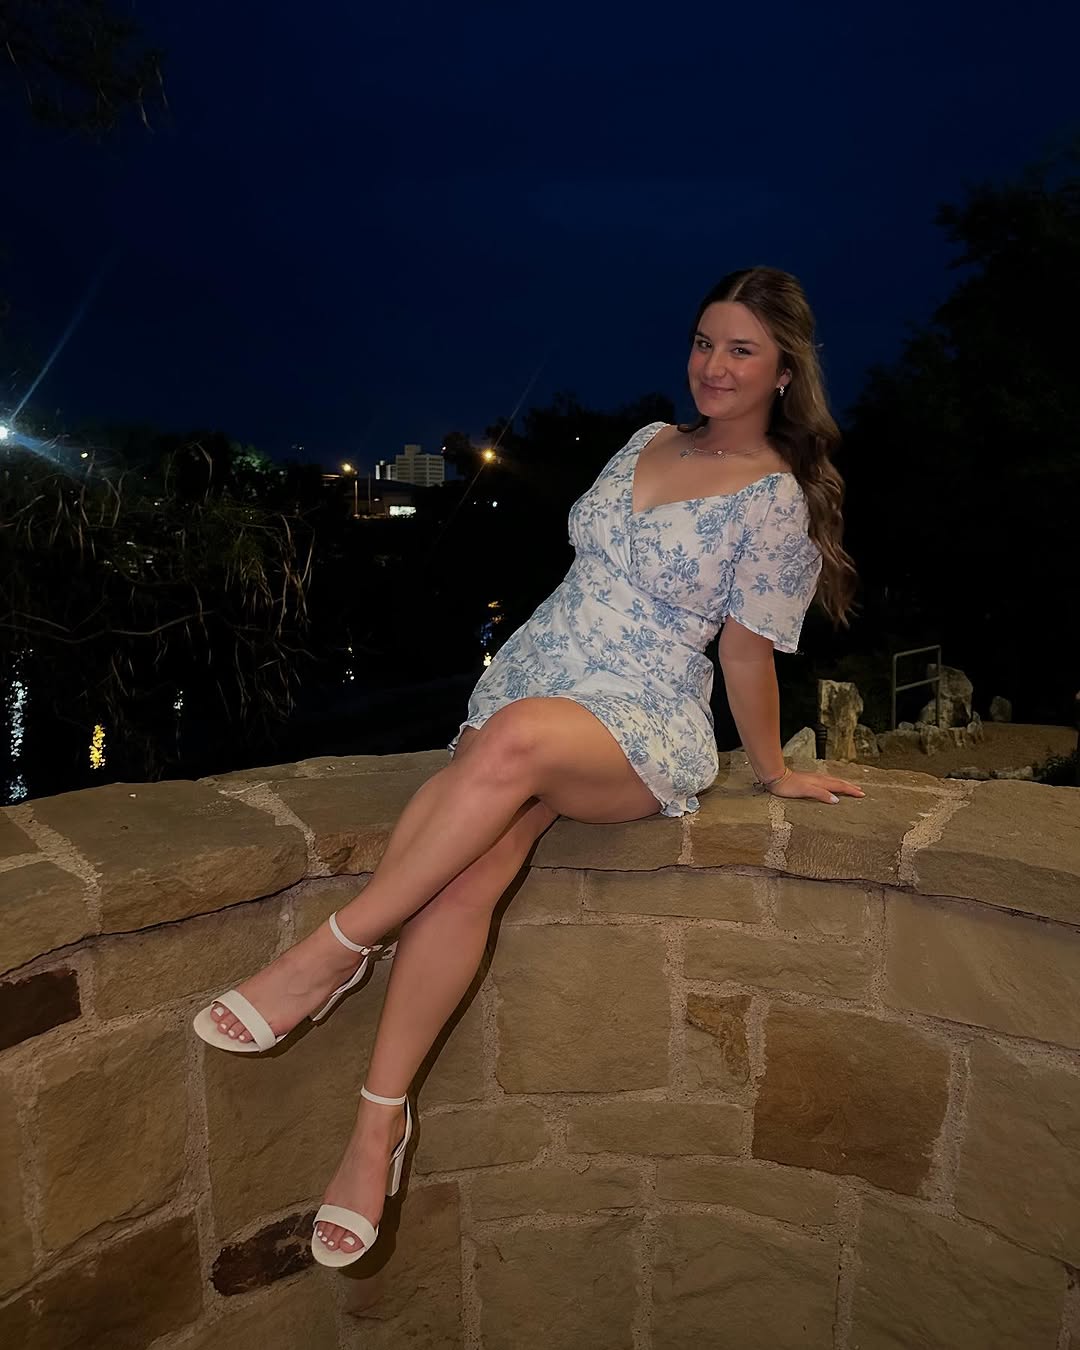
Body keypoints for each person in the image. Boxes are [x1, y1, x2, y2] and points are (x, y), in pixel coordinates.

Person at [193, 265, 865, 1267]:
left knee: (515, 745)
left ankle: (332, 952)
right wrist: (531, 675)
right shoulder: (647, 439)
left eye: (741, 350)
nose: (714, 366)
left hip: (640, 713)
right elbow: (587, 571)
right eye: (704, 341)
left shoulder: (778, 500)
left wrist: (770, 771)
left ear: (783, 371)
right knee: (470, 871)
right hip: (537, 671)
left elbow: (744, 653)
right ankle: (377, 1129)